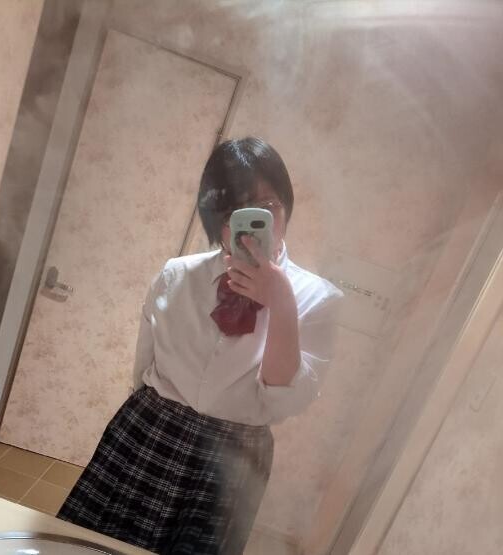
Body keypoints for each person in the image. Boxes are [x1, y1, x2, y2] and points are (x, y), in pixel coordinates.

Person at [57, 137, 343, 554]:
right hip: (150, 431)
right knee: (91, 546)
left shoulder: (318, 298)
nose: (253, 221)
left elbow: (282, 401)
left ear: (286, 209)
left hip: (233, 458)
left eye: (268, 206)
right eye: (235, 211)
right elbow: (145, 362)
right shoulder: (177, 275)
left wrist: (281, 301)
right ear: (215, 218)